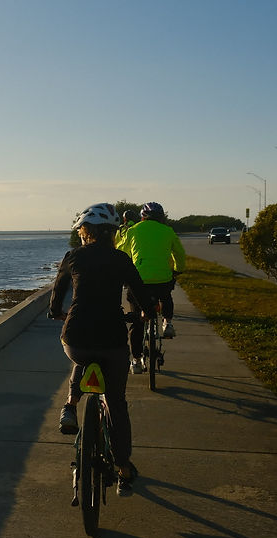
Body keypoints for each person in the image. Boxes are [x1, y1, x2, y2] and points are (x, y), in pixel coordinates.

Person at [49, 202, 155, 497]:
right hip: (112, 341)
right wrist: (146, 312)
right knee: (116, 403)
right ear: (112, 233)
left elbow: (58, 291)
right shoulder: (121, 259)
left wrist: (57, 312)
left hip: (76, 338)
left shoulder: (73, 256)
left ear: (85, 232)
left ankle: (70, 405)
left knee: (81, 356)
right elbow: (139, 292)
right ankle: (123, 468)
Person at [117, 201, 187, 374]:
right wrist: (178, 270)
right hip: (162, 280)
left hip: (138, 282)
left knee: (137, 320)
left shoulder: (133, 231)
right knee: (166, 295)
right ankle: (167, 323)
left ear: (143, 216)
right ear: (162, 218)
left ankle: (136, 361)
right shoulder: (168, 231)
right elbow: (179, 254)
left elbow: (121, 251)